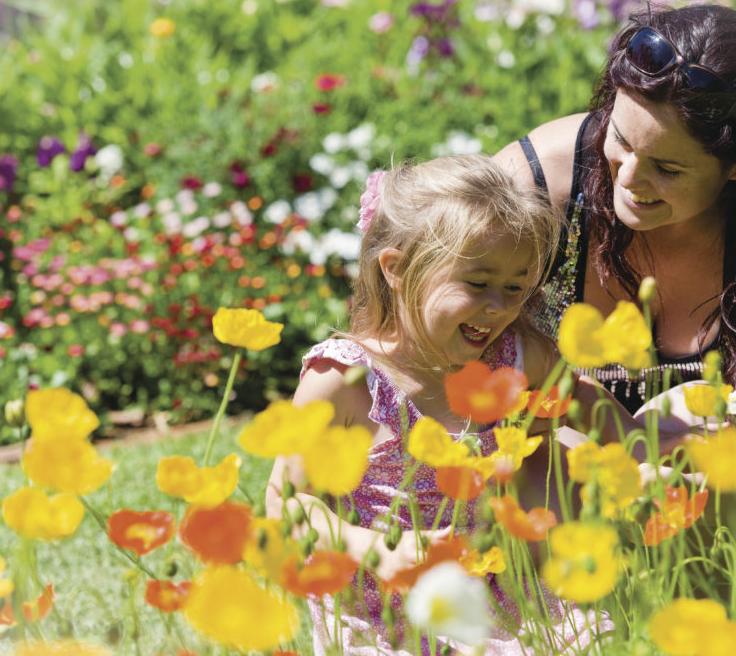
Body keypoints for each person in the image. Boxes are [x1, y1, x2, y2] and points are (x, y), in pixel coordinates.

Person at [266, 154, 630, 655]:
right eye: (477, 284)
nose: (499, 307)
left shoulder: (517, 355)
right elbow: (287, 502)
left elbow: (580, 397)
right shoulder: (346, 381)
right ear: (396, 269)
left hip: (502, 584)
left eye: (516, 288)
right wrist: (377, 550)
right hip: (390, 602)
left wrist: (639, 445)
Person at [494, 4, 736, 416]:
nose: (629, 178)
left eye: (666, 168)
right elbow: (431, 361)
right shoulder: (532, 188)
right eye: (621, 140)